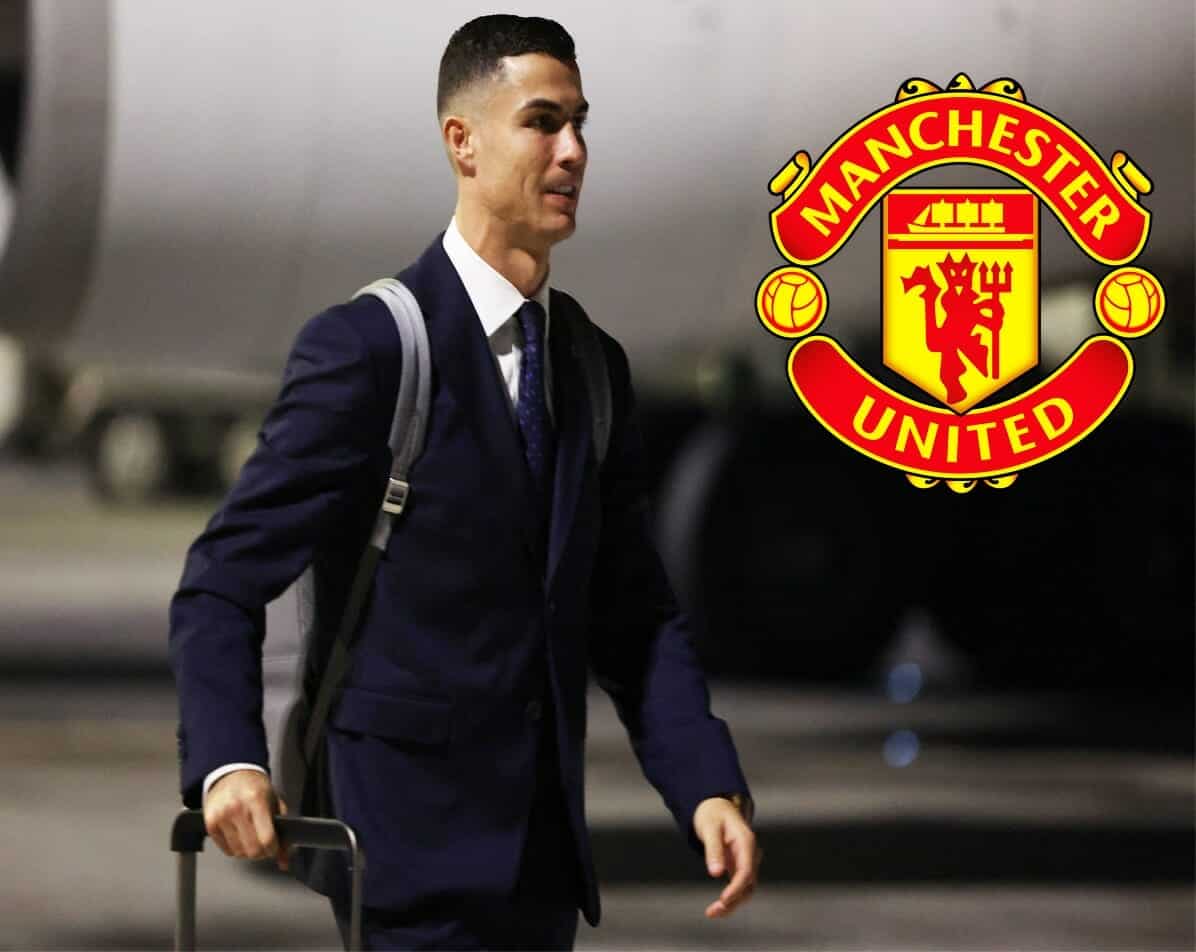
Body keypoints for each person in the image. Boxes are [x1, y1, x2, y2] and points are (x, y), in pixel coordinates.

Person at [169, 14, 760, 950]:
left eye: (579, 124)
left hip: (542, 874)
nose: (573, 152)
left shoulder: (592, 367)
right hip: (399, 861)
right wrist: (228, 763)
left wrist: (704, 785)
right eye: (542, 122)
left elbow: (635, 615)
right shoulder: (368, 349)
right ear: (463, 142)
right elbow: (221, 580)